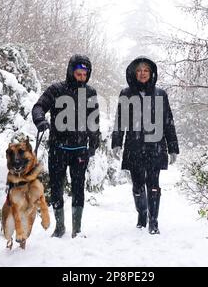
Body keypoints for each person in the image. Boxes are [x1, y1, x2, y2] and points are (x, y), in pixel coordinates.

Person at [32, 54, 100, 238]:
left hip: (80, 150)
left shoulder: (91, 93)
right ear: (71, 71)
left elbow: (94, 120)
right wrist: (39, 120)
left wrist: (94, 141)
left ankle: (77, 229)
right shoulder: (56, 89)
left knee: (78, 188)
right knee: (56, 188)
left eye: (84, 74)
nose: (81, 76)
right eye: (78, 73)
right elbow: (39, 106)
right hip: (58, 149)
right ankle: (60, 226)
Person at [111, 56, 179, 234]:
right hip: (134, 146)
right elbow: (120, 121)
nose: (142, 74)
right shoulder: (126, 94)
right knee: (137, 185)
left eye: (146, 70)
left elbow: (168, 122)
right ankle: (142, 214)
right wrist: (116, 143)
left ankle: (153, 221)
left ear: (151, 73)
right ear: (134, 73)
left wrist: (173, 147)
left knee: (153, 183)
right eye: (139, 70)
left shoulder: (160, 94)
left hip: (155, 146)